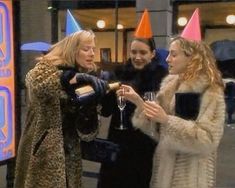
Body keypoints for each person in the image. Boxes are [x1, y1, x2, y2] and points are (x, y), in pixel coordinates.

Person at [120, 36, 225, 188]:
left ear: (192, 58)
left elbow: (208, 140)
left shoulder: (210, 90)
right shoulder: (170, 86)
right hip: (165, 172)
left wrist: (167, 120)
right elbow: (156, 130)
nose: (168, 59)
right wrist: (138, 101)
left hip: (191, 176)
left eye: (174, 55)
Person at [14, 30, 108, 188]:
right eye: (86, 49)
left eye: (93, 49)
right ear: (73, 50)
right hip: (42, 153)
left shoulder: (87, 78)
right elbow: (37, 84)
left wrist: (89, 110)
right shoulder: (46, 68)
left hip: (70, 157)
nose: (92, 53)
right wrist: (68, 78)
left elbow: (87, 134)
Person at [98, 36, 168, 187]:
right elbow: (106, 111)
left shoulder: (161, 78)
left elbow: (160, 116)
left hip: (144, 145)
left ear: (153, 54)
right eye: (133, 52)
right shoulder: (119, 73)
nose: (137, 57)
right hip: (116, 143)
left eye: (143, 53)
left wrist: (138, 100)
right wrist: (104, 93)